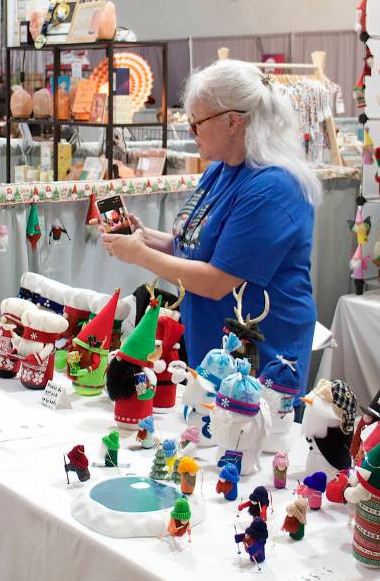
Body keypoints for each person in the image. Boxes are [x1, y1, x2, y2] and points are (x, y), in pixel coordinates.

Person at [100, 59, 321, 392]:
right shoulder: (222, 169)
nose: (192, 132)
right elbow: (195, 245)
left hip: (259, 358)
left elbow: (218, 280)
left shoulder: (273, 187)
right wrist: (146, 239)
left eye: (197, 122)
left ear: (232, 122)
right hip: (212, 350)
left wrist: (139, 255)